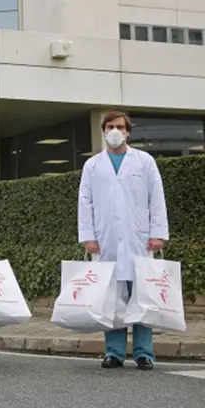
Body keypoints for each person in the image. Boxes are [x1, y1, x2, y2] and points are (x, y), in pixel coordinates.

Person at [78, 110, 168, 371]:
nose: (115, 131)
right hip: (105, 241)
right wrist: (88, 237)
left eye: (120, 126)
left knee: (143, 296)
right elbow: (85, 202)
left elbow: (156, 198)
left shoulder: (144, 161)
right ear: (103, 131)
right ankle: (114, 352)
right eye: (110, 126)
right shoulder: (93, 165)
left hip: (139, 240)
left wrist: (157, 233)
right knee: (111, 299)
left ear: (128, 131)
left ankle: (144, 353)